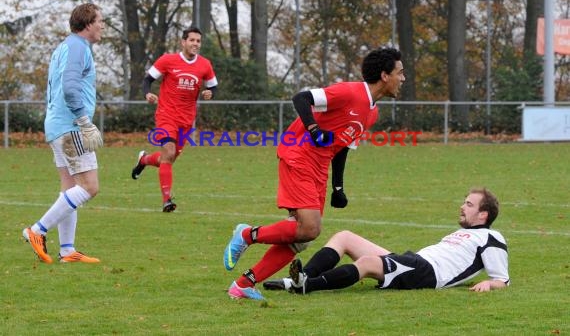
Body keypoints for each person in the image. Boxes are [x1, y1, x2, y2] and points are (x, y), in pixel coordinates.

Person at [223, 47, 406, 300]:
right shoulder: (350, 92)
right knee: (309, 228)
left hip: (319, 165)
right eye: (400, 72)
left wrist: (338, 188)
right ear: (385, 76)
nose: (403, 78)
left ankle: (244, 284)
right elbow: (301, 98)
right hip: (298, 154)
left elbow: (343, 148)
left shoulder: (372, 111)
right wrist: (313, 128)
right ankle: (246, 234)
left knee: (301, 238)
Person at [264, 188, 510, 294]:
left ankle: (308, 286)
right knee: (344, 237)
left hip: (428, 274)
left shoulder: (492, 237)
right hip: (416, 261)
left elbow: (502, 279)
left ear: (483, 214)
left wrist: (489, 285)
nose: (462, 207)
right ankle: (298, 279)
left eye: (469, 204)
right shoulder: (462, 234)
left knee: (369, 263)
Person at [22, 3, 105, 264]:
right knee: (89, 187)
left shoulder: (63, 47)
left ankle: (67, 250)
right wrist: (84, 120)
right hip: (71, 126)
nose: (103, 25)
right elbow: (70, 88)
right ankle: (37, 230)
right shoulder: (79, 47)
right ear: (88, 23)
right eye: (100, 21)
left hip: (57, 124)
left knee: (69, 188)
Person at [131, 27, 218, 212]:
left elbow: (213, 85)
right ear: (183, 42)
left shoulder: (204, 64)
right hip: (166, 115)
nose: (195, 44)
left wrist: (210, 92)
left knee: (168, 158)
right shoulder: (167, 60)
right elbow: (147, 80)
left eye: (198, 41)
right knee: (168, 154)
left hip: (186, 120)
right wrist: (147, 94)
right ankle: (167, 200)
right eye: (192, 40)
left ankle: (144, 160)